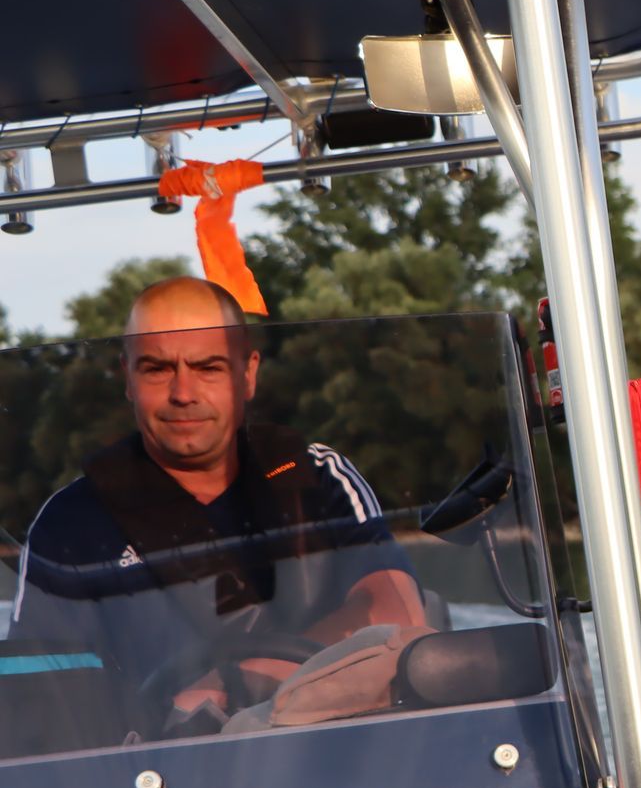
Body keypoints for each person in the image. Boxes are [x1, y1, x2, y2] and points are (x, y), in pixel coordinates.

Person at [7, 277, 425, 731]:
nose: (183, 393)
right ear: (126, 377)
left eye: (209, 368)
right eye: (157, 369)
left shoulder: (316, 478)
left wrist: (236, 683)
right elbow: (40, 705)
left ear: (247, 375)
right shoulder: (68, 523)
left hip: (335, 759)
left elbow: (397, 619)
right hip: (156, 779)